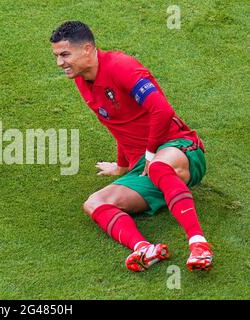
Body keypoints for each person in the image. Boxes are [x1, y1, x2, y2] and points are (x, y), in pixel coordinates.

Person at [50, 21, 213, 272]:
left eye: (64, 55)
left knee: (158, 165)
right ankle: (144, 248)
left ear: (87, 49)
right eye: (57, 56)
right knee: (94, 203)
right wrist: (123, 165)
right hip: (145, 165)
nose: (60, 63)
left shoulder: (122, 67)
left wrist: (149, 154)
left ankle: (198, 244)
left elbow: (161, 110)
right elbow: (119, 123)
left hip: (179, 147)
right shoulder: (83, 80)